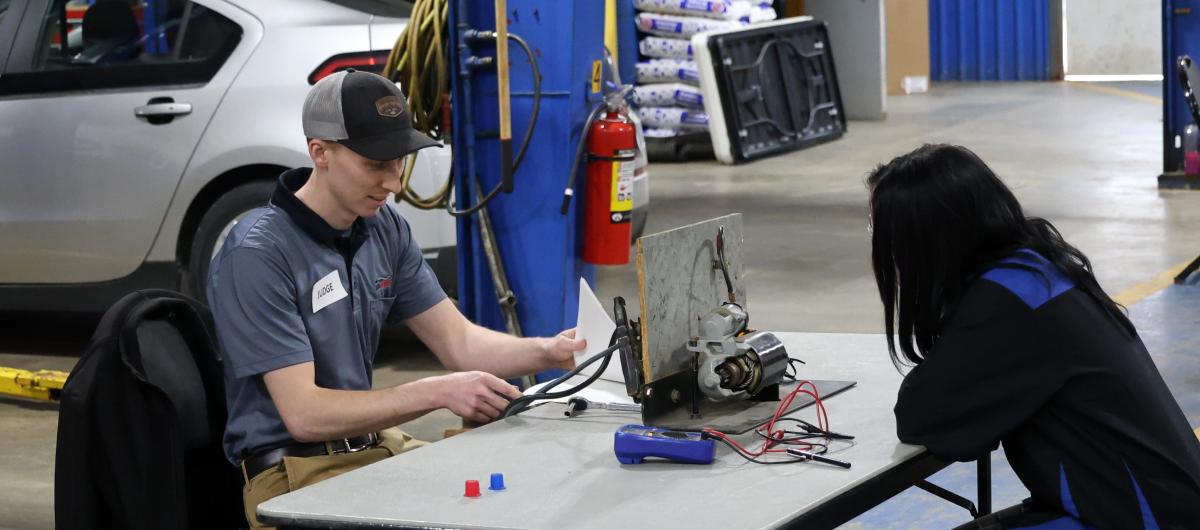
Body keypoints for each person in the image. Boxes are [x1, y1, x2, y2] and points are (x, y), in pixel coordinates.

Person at [207, 70, 586, 528]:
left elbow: (459, 343)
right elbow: (304, 414)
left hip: (376, 446)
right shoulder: (258, 253)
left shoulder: (383, 229)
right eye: (375, 163)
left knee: (526, 500)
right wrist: (438, 391)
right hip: (295, 473)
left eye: (398, 162)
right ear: (319, 152)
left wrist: (549, 350)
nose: (393, 183)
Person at [867, 144, 1200, 529]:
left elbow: (922, 417)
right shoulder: (1035, 271)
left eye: (881, 229)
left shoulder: (1010, 303)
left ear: (921, 238)